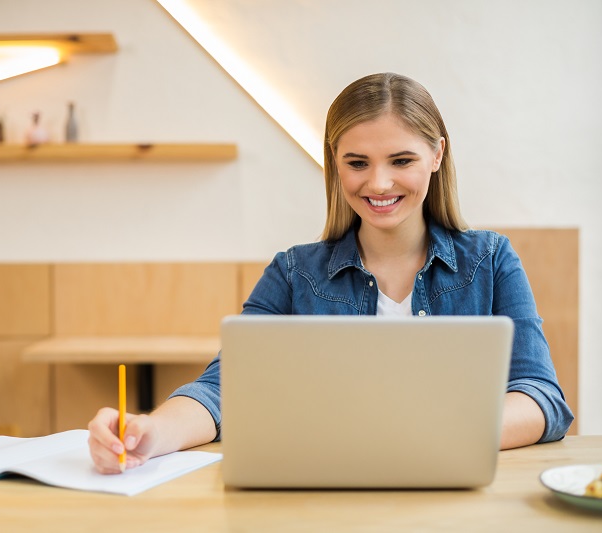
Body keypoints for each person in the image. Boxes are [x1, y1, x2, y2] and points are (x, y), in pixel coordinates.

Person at [88, 72, 574, 474]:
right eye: (357, 163)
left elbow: (541, 398)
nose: (378, 183)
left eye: (401, 160)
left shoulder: (490, 260)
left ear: (437, 155)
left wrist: (423, 436)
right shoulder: (295, 271)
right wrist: (153, 432)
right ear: (335, 165)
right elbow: (224, 389)